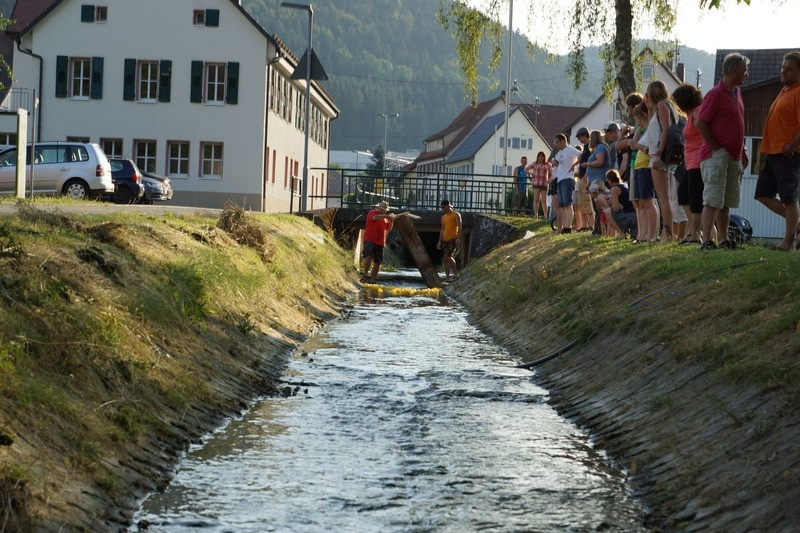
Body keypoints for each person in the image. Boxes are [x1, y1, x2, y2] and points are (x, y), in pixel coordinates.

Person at [696, 52, 750, 251]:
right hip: (715, 156)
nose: (747, 74)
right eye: (745, 70)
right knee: (712, 200)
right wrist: (717, 148)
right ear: (734, 70)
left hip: (733, 156)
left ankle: (723, 239)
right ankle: (707, 240)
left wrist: (742, 149)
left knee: (726, 201)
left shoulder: (737, 93)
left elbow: (737, 124)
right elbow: (701, 122)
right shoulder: (715, 94)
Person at [754, 51, 800, 251]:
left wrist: (791, 146)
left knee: (789, 198)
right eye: (783, 67)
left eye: (789, 69)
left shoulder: (799, 91)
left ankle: (787, 243)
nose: (784, 71)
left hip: (788, 153)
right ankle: (797, 223)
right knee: (762, 194)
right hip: (772, 152)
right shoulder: (785, 90)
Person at [645, 81, 682, 242]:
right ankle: (668, 234)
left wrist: (658, 154)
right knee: (665, 198)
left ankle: (667, 235)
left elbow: (666, 129)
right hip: (663, 155)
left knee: (664, 198)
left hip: (659, 156)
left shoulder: (661, 105)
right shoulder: (669, 106)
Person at [672, 83, 705, 245]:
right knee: (683, 194)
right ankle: (693, 231)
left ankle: (696, 234)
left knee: (695, 197)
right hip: (690, 162)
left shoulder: (698, 112)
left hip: (699, 161)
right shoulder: (691, 114)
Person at [631, 102, 659, 242]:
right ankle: (642, 234)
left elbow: (647, 149)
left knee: (648, 202)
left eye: (635, 118)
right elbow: (633, 144)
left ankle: (651, 235)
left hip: (645, 167)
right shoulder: (644, 130)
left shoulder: (652, 130)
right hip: (638, 167)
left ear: (640, 116)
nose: (635, 122)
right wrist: (638, 130)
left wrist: (637, 145)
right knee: (641, 203)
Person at [581, 130, 612, 235]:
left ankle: (600, 230)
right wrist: (588, 184)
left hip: (599, 180)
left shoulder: (600, 148)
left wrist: (587, 164)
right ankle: (598, 229)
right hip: (594, 181)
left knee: (599, 206)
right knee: (596, 206)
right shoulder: (598, 149)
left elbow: (600, 162)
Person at [551, 133, 582, 233]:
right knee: (562, 206)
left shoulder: (570, 149)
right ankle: (565, 226)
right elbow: (555, 163)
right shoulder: (560, 152)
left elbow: (581, 155)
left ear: (563, 141)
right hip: (560, 179)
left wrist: (574, 165)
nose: (555, 144)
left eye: (557, 142)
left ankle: (568, 227)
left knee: (568, 204)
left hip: (567, 179)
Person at [598, 169, 638, 239]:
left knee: (607, 212)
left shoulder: (615, 189)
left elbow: (615, 209)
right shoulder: (624, 186)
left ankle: (622, 234)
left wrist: (611, 202)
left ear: (609, 180)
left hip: (628, 217)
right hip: (634, 216)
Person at [361, 200, 394, 282]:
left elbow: (389, 229)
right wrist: (386, 216)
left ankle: (372, 279)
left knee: (377, 262)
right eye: (382, 209)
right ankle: (365, 275)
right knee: (368, 257)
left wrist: (392, 221)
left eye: (384, 210)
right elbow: (375, 218)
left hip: (380, 242)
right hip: (369, 239)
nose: (383, 211)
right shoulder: (372, 212)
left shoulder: (385, 218)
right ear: (378, 207)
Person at [437, 199, 462, 281]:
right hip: (445, 240)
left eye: (443, 207)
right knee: (446, 259)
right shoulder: (443, 217)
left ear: (448, 206)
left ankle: (456, 274)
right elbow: (442, 230)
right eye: (441, 208)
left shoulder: (456, 214)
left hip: (453, 238)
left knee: (448, 256)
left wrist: (458, 237)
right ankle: (447, 278)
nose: (442, 209)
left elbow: (460, 226)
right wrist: (439, 241)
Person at [526, 151, 552, 220]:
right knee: (536, 199)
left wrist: (550, 180)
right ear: (537, 157)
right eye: (539, 156)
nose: (540, 158)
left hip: (544, 183)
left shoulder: (547, 164)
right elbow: (526, 169)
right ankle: (536, 215)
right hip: (536, 183)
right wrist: (531, 174)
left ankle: (545, 216)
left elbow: (553, 172)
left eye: (542, 156)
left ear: (544, 157)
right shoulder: (534, 164)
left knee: (544, 200)